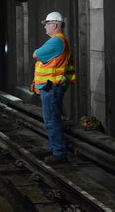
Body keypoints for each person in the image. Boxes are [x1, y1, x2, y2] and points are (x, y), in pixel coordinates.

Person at [31, 11, 76, 164]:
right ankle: (54, 147)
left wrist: (37, 53)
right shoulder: (58, 40)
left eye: (47, 24)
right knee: (51, 117)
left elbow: (36, 54)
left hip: (52, 86)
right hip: (51, 85)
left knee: (51, 119)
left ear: (55, 25)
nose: (45, 28)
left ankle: (59, 152)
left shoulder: (56, 41)